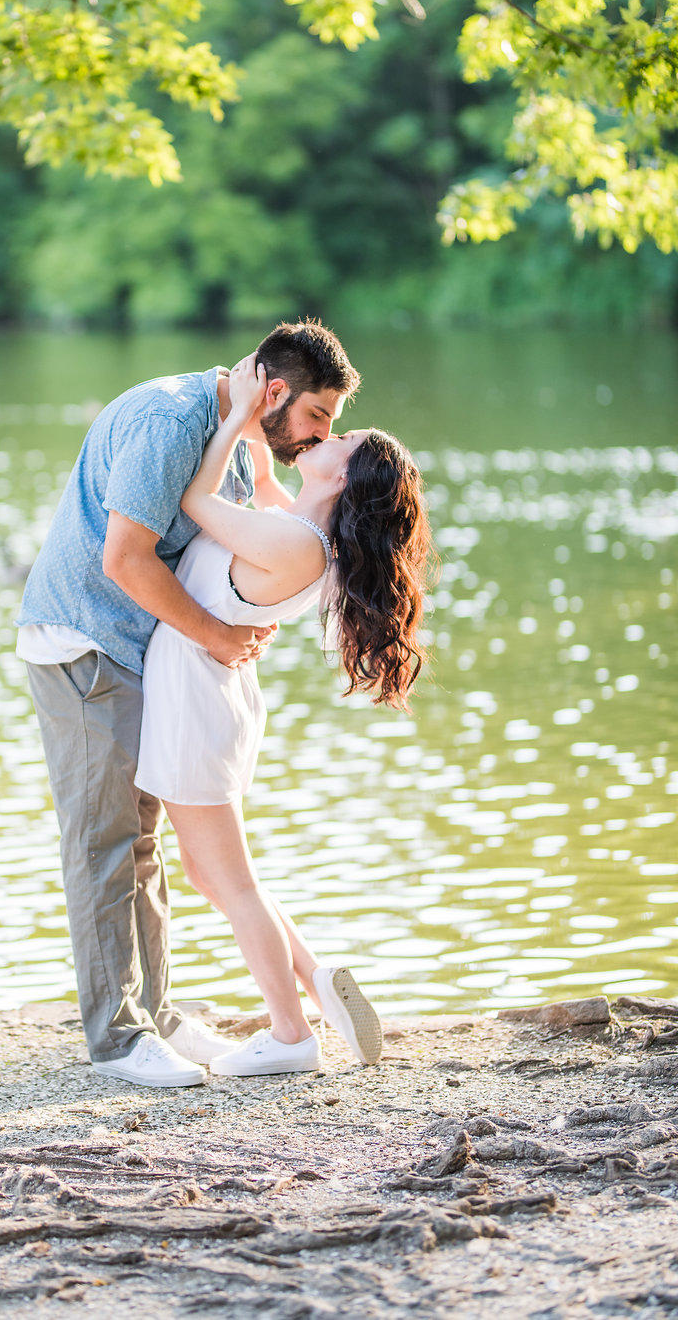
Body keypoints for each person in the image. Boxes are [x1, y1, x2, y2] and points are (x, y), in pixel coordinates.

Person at [16, 322, 361, 1088]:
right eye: (317, 417)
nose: (318, 436)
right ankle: (117, 1038)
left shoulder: (238, 436)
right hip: (86, 640)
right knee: (105, 841)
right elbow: (123, 558)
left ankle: (157, 1017)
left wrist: (228, 625)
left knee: (143, 844)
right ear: (276, 392)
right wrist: (216, 635)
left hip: (139, 651)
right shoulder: (174, 421)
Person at [135, 355, 434, 1075]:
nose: (326, 436)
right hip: (206, 698)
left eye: (340, 439)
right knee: (222, 878)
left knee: (229, 883)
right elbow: (262, 479)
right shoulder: (296, 527)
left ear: (341, 476)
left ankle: (291, 1036)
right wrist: (259, 415)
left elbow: (198, 499)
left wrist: (237, 413)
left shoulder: (293, 542)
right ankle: (316, 985)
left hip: (196, 706)